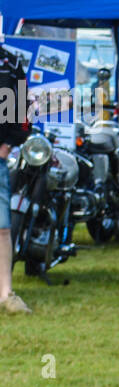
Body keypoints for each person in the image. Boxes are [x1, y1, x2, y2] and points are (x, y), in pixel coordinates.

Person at [0, 40, 31, 314]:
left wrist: (9, 144)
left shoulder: (10, 64)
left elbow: (22, 112)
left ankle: (6, 294)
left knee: (3, 228)